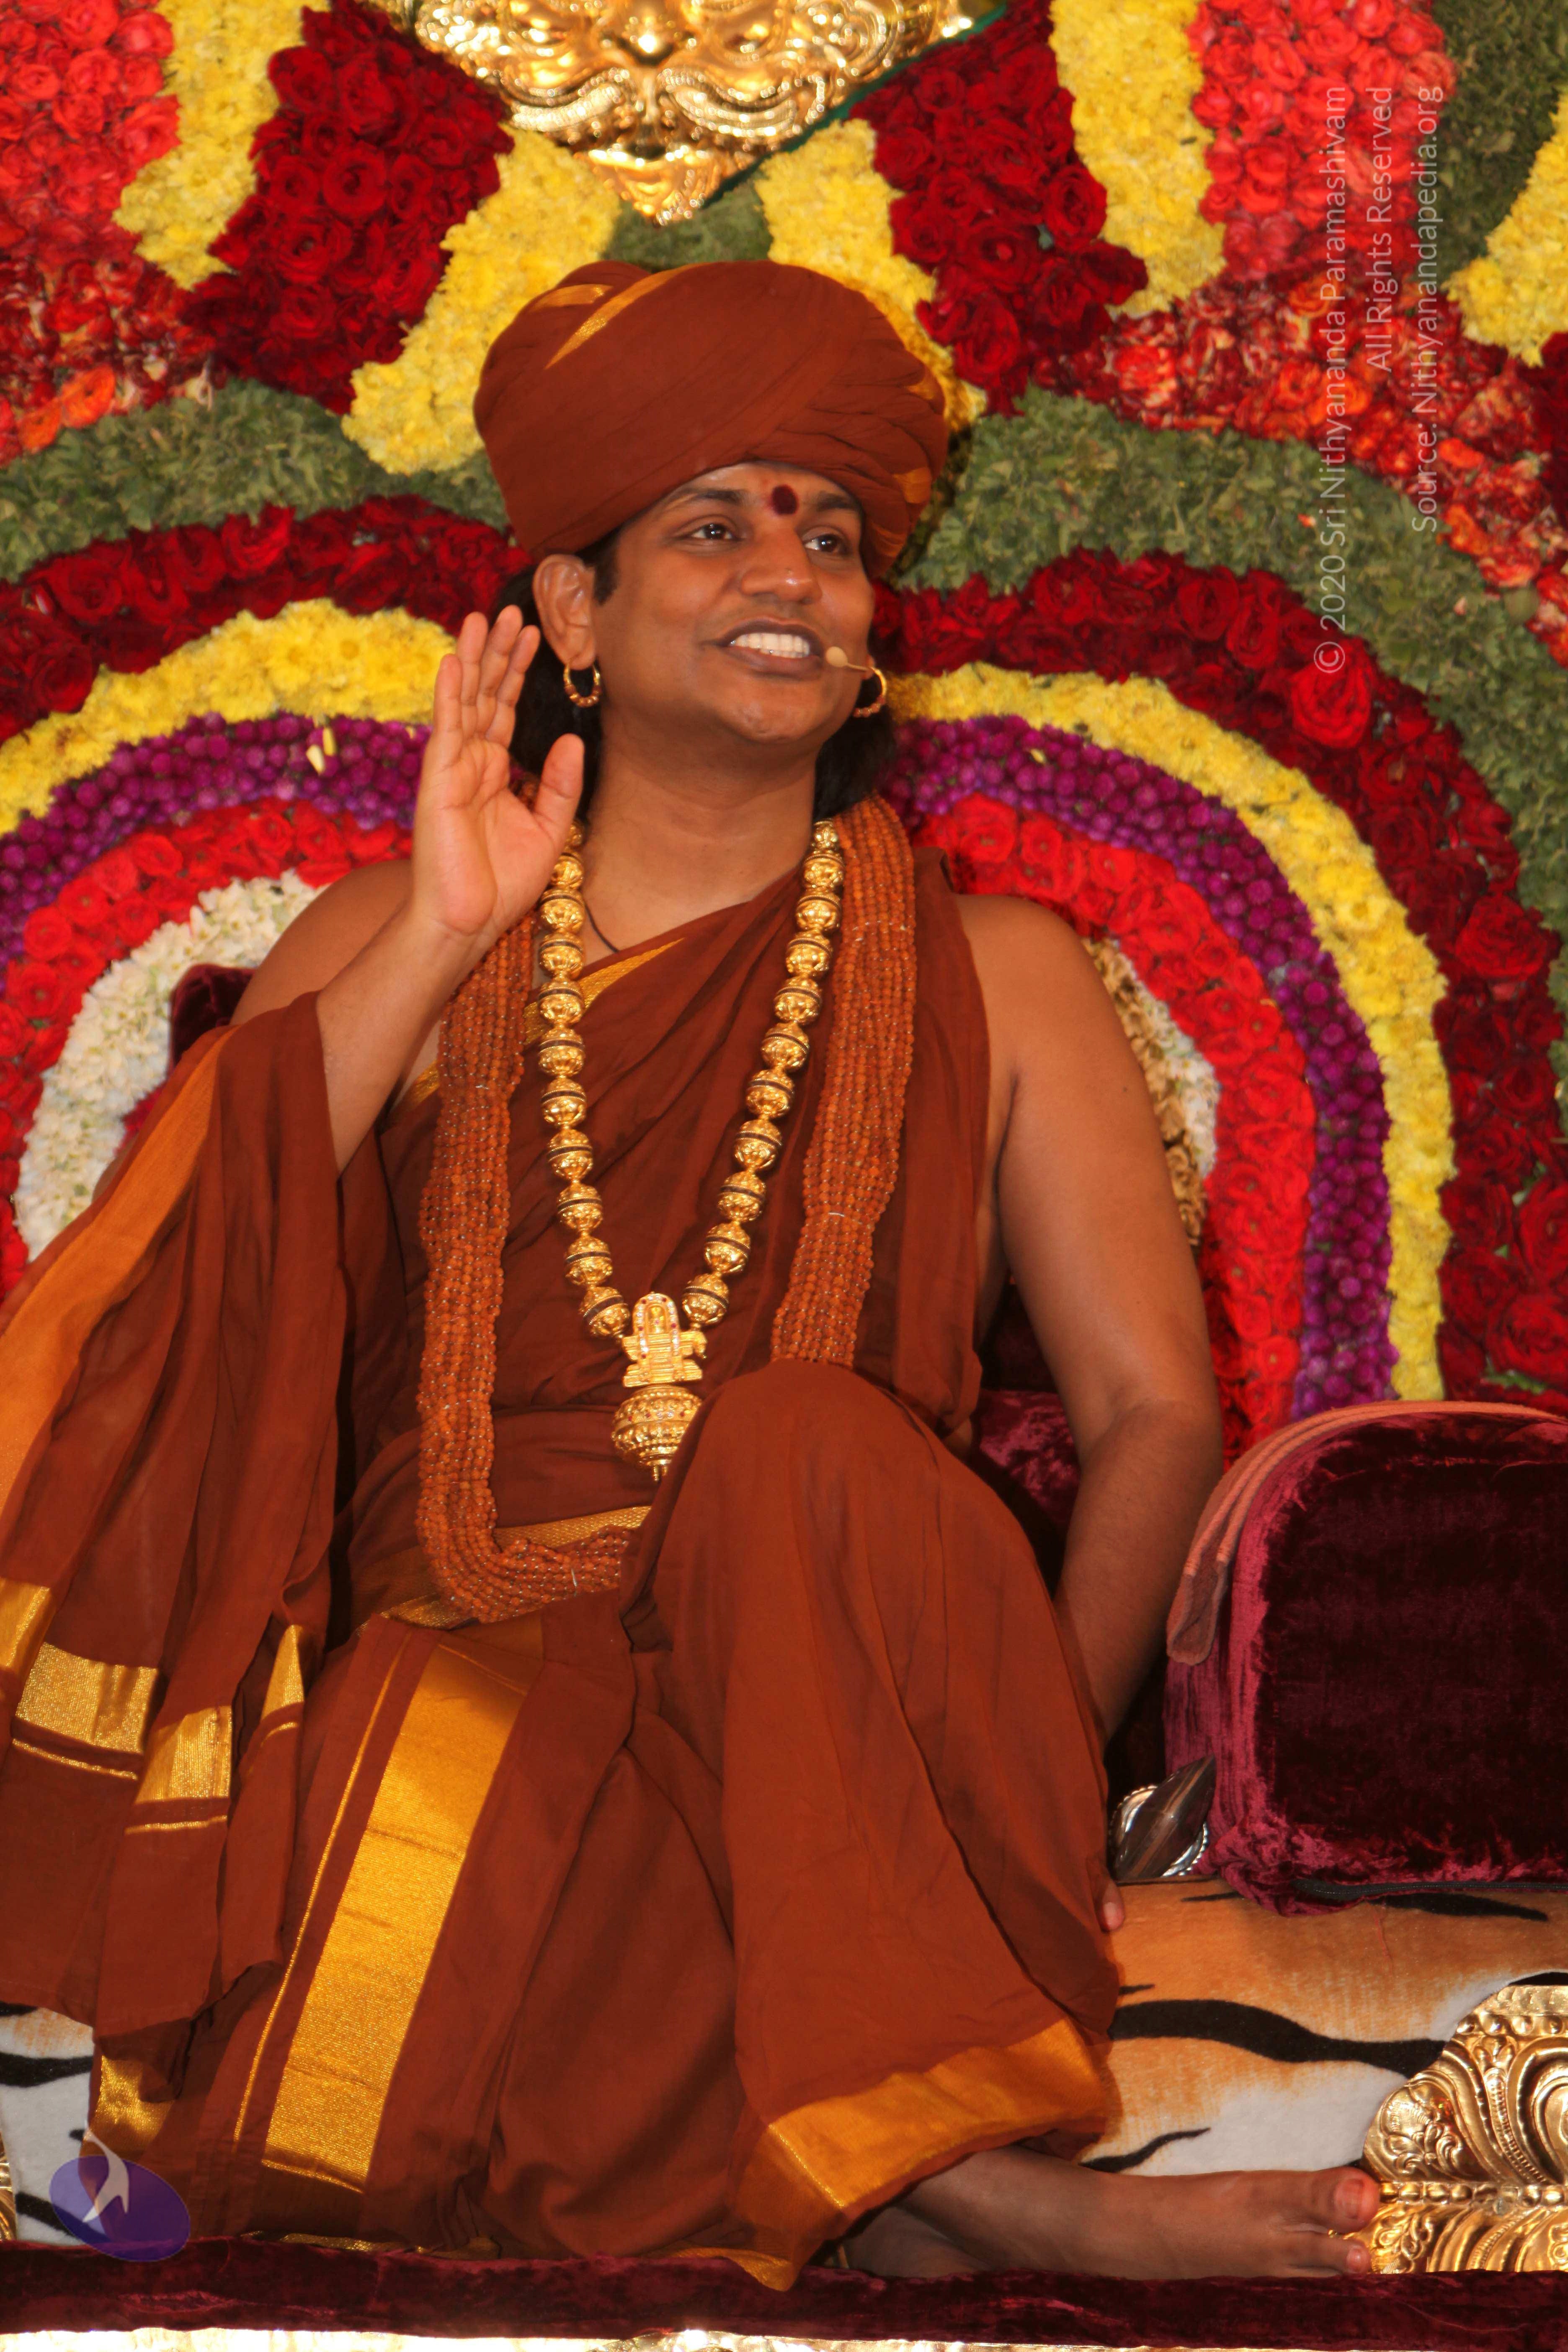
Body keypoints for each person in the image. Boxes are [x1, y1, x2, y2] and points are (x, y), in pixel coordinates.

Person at [0, 260, 1378, 2280]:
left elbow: (1156, 1412)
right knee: (446, 1748)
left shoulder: (1005, 974)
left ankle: (918, 2150)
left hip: (870, 1677)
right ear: (572, 612)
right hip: (477, 1655)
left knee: (799, 1442)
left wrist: (1026, 1776)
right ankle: (951, 2193)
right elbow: (184, 1288)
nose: (792, 570)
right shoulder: (396, 930)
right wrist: (446, 932)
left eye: (830, 533)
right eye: (715, 524)